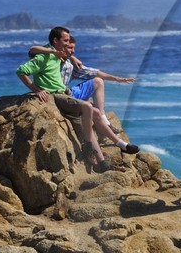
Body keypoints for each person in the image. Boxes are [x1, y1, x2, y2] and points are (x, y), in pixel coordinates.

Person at [16, 27, 138, 170]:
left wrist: (118, 79)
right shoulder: (46, 56)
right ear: (56, 41)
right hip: (57, 95)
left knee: (95, 113)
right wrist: (36, 89)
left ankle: (106, 160)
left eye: (70, 43)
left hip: (65, 94)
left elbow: (92, 72)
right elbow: (24, 66)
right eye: (66, 41)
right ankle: (90, 146)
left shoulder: (62, 58)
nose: (69, 46)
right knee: (87, 109)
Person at [26, 34, 137, 138]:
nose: (73, 51)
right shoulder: (47, 58)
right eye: (69, 48)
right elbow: (32, 50)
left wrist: (118, 79)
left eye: (73, 48)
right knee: (89, 107)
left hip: (69, 93)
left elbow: (94, 72)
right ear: (61, 46)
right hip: (59, 97)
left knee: (98, 81)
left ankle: (104, 119)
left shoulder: (70, 65)